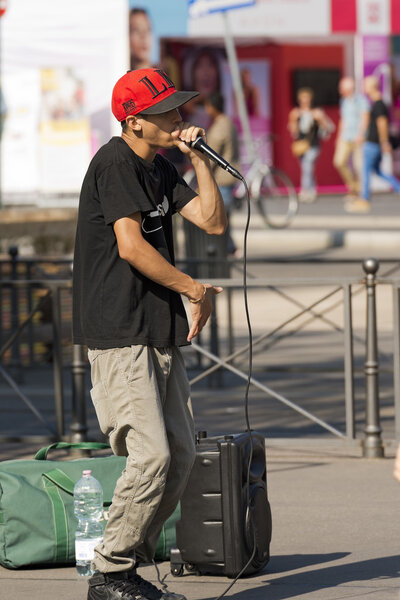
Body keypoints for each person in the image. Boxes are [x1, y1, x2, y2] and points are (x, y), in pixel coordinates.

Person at [73, 68, 227, 600]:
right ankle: (110, 571)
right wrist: (194, 289)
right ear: (134, 121)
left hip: (156, 329)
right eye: (167, 111)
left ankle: (125, 567)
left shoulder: (159, 166)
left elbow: (211, 221)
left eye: (180, 108)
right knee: (152, 457)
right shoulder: (116, 163)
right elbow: (131, 247)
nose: (179, 117)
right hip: (118, 329)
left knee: (180, 457)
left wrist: (200, 159)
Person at [346, 75, 400, 213]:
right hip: (374, 142)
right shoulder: (377, 103)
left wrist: (383, 141)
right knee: (378, 170)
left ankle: (364, 200)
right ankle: (398, 188)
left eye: (365, 85)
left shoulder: (379, 104)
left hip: (373, 143)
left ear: (372, 87)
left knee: (365, 171)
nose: (363, 88)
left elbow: (382, 124)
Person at [204, 91, 240, 256]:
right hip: (228, 179)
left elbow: (212, 155)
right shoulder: (229, 123)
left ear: (212, 107)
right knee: (225, 218)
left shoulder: (220, 126)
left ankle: (227, 249)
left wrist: (202, 174)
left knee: (220, 219)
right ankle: (230, 248)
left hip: (221, 179)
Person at [288, 87, 334, 203]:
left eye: (307, 98)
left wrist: (321, 120)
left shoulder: (317, 112)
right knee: (307, 169)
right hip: (301, 145)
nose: (305, 101)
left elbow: (329, 129)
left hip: (313, 145)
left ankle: (305, 191)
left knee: (307, 166)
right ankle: (312, 190)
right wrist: (292, 120)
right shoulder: (296, 113)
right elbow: (294, 132)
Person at [333, 77, 369, 201]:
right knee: (339, 161)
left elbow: (365, 117)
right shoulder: (343, 101)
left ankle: (358, 192)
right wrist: (338, 136)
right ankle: (353, 187)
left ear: (348, 88)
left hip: (357, 137)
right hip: (345, 136)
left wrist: (361, 134)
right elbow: (342, 120)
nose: (340, 90)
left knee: (358, 165)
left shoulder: (360, 100)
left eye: (341, 88)